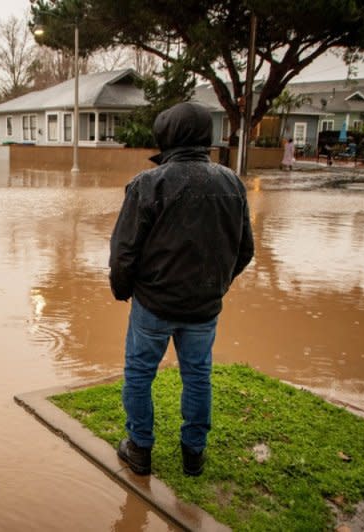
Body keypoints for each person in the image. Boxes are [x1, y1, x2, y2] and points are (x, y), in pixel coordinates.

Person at [109, 102, 254, 477]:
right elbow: (245, 250)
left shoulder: (148, 184)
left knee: (140, 375)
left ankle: (139, 449)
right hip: (204, 308)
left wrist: (124, 290)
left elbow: (123, 252)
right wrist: (216, 286)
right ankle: (194, 454)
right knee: (197, 376)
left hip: (153, 305)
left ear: (167, 136)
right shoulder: (232, 183)